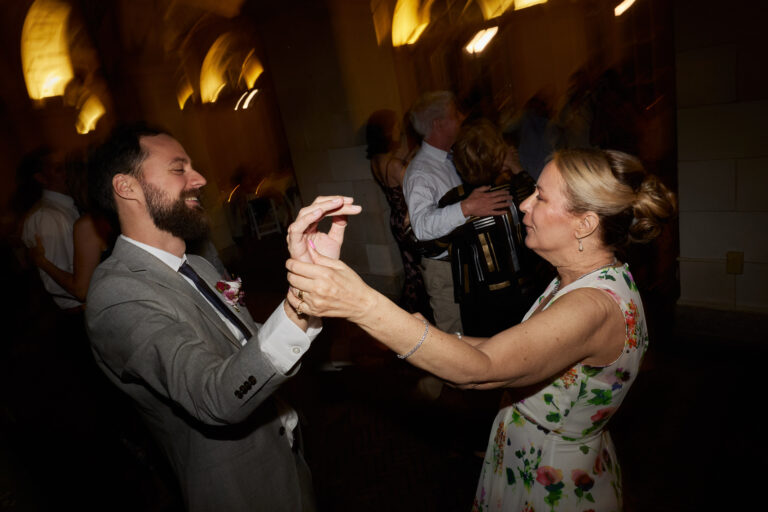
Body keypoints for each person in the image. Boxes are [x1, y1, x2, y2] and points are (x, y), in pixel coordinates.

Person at [285, 148, 676, 511]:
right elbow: (512, 349)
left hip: (551, 480)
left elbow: (482, 368)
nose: (524, 204)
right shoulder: (587, 279)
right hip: (541, 455)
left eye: (540, 197)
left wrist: (360, 303)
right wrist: (426, 334)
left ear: (584, 224)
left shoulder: (590, 307)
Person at [84, 123, 361, 512]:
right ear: (126, 186)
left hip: (285, 454)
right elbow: (215, 395)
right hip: (240, 489)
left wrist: (310, 282)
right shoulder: (116, 295)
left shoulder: (198, 264)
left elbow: (245, 344)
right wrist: (298, 302)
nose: (199, 179)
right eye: (179, 169)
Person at [403, 91, 511, 334]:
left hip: (467, 264)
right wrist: (467, 207)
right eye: (455, 114)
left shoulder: (452, 156)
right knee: (455, 338)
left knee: (478, 332)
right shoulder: (421, 171)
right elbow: (421, 227)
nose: (462, 118)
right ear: (438, 124)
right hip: (445, 269)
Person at [447, 119, 550, 336]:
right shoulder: (518, 193)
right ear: (499, 157)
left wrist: (411, 223)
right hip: (525, 291)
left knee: (487, 350)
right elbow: (542, 200)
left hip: (479, 300)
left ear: (458, 162)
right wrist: (517, 168)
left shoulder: (454, 201)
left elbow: (429, 244)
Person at [365, 109, 432, 319]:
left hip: (395, 219)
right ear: (386, 133)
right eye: (395, 127)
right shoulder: (394, 165)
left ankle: (407, 315)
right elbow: (414, 190)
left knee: (411, 271)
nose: (398, 131)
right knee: (417, 273)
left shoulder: (376, 161)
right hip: (407, 220)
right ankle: (410, 315)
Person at [28, 150, 117, 303]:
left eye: (66, 171)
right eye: (59, 169)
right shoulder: (46, 216)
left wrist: (42, 262)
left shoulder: (89, 223)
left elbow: (81, 290)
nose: (64, 176)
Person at [20, 147, 82, 311]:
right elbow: (56, 283)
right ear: (41, 178)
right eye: (59, 169)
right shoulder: (47, 217)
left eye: (67, 166)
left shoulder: (67, 206)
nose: (68, 173)